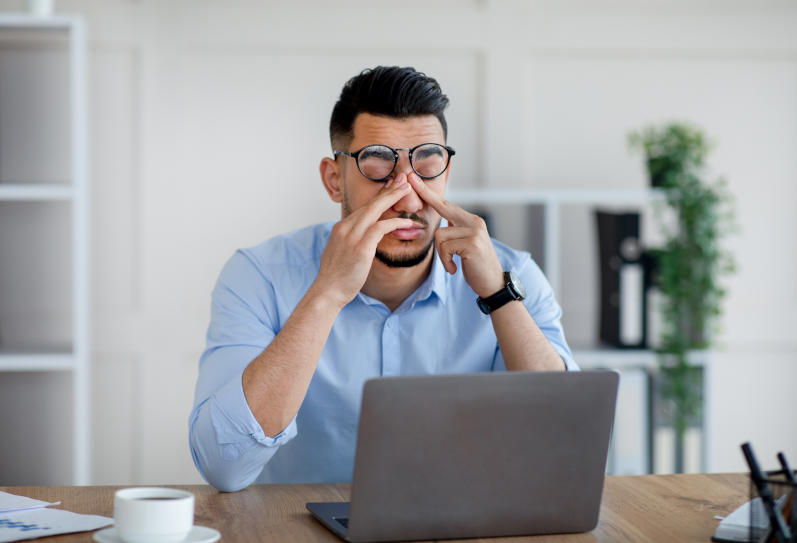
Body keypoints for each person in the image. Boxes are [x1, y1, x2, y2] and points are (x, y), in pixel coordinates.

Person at [189, 66, 578, 492]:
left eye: (427, 164)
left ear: (445, 172)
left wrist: (499, 295)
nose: (408, 197)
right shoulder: (259, 275)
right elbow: (223, 467)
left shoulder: (512, 275)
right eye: (378, 166)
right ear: (335, 179)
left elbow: (564, 442)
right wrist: (327, 294)